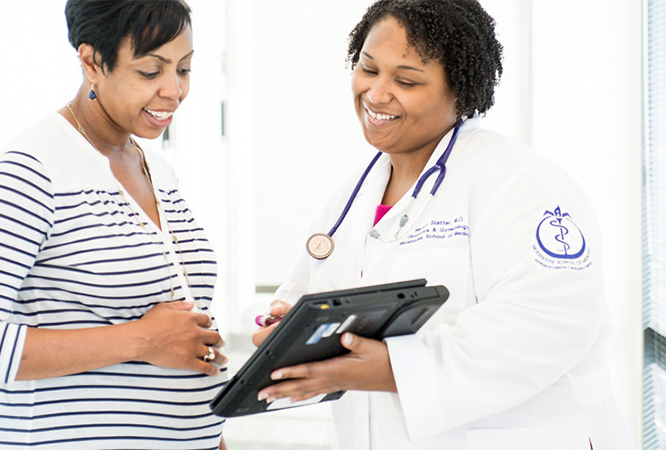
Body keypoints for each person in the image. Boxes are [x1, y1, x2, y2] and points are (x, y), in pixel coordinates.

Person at [252, 0, 634, 448]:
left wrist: (396, 368)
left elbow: (549, 321)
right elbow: (309, 291)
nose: (376, 94)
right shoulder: (352, 196)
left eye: (407, 80)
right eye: (368, 69)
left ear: (462, 91)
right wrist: (288, 326)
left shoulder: (521, 183)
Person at [0, 1, 229, 448]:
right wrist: (139, 341)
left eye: (184, 69)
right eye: (150, 71)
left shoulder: (156, 169)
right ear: (92, 61)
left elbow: (179, 338)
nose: (174, 89)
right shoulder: (34, 169)